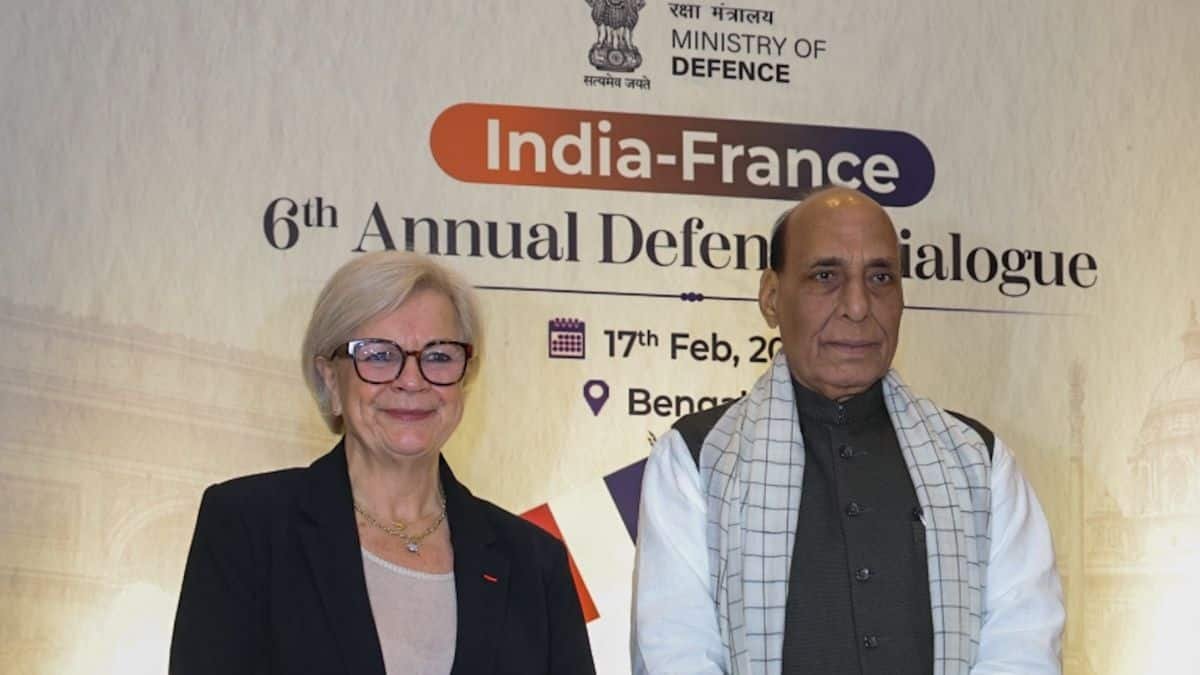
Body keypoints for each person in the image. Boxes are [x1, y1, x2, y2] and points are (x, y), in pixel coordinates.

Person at [632, 187, 1064, 675]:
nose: (858, 306)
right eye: (825, 276)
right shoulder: (698, 460)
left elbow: (1024, 645)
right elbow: (675, 652)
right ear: (771, 298)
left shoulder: (976, 461)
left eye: (880, 278)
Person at [170, 251, 595, 675]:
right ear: (330, 379)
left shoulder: (534, 563)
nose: (411, 380)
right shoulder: (248, 526)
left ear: (465, 379)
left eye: (438, 356)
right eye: (378, 355)